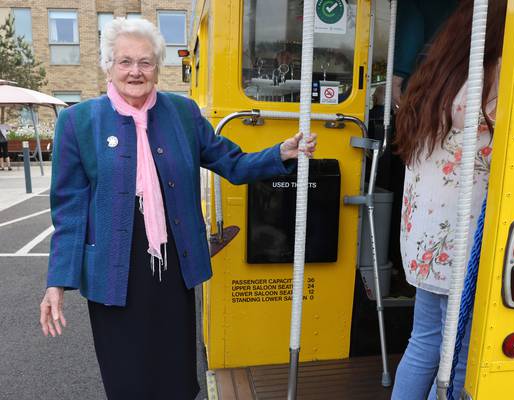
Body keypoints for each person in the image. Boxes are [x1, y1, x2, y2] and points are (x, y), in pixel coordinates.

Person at [38, 18, 316, 400]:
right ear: (108, 65)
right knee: (128, 377)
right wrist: (57, 282)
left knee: (175, 373)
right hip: (113, 270)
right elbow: (69, 210)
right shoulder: (78, 122)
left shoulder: (183, 114)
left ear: (158, 67)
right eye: (125, 61)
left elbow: (230, 163)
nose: (135, 71)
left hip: (173, 266)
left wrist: (279, 153)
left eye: (146, 62)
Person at [391, 1, 506, 398]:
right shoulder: (498, 77)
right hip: (459, 244)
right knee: (459, 360)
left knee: (423, 342)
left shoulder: (437, 74)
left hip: (425, 242)